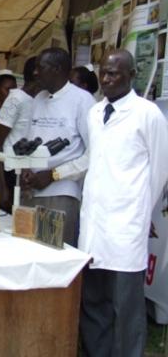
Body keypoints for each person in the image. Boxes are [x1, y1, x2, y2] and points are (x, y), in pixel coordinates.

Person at [79, 49, 168, 357]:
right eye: (103, 72)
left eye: (114, 73)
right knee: (93, 301)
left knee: (126, 306)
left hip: (125, 223)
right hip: (94, 222)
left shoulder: (148, 114)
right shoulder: (94, 112)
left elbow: (159, 171)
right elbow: (94, 161)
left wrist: (139, 209)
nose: (106, 78)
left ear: (131, 75)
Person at [21, 47, 95, 247]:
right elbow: (28, 142)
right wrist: (25, 169)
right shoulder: (38, 99)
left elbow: (95, 154)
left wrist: (54, 174)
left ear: (58, 69)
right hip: (30, 192)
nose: (35, 72)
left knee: (52, 261)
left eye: (40, 67)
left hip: (60, 194)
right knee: (27, 254)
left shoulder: (82, 100)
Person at [0, 57, 40, 212]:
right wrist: (3, 186)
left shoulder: (39, 100)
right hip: (10, 173)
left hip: (26, 173)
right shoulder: (16, 98)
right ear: (36, 73)